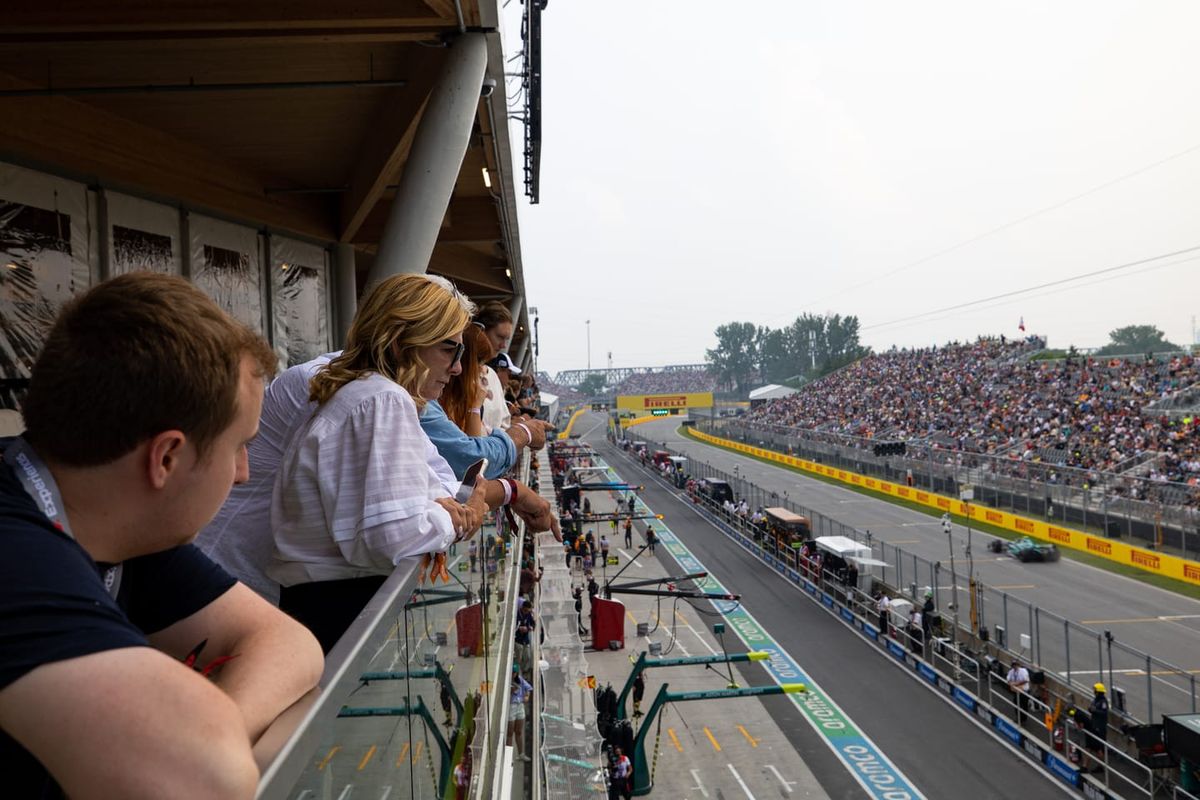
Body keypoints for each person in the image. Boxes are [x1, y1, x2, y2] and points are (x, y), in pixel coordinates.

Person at [0, 273, 324, 799]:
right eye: (238, 446)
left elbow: (291, 645)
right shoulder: (14, 552)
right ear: (167, 457)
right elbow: (203, 775)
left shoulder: (113, 524)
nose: (243, 472)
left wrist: (222, 725)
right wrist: (206, 739)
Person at [270, 275, 558, 652]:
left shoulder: (373, 395)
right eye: (449, 349)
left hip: (319, 607)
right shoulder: (382, 399)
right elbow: (394, 536)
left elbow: (444, 483)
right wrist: (457, 518)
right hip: (338, 612)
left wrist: (453, 504)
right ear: (400, 342)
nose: (457, 368)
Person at [508, 667, 533, 762]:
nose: (513, 675)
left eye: (515, 673)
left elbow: (529, 688)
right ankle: (508, 758)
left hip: (520, 706)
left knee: (518, 731)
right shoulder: (507, 682)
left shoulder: (520, 680)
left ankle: (521, 754)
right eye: (512, 673)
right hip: (511, 707)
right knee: (510, 733)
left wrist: (527, 696)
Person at [1085, 683, 1109, 772]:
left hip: (1100, 727)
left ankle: (1101, 766)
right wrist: (1090, 709)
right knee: (1094, 746)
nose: (1094, 692)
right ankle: (1098, 765)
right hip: (1094, 725)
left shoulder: (1103, 702)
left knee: (1099, 747)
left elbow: (1104, 713)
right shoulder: (1095, 700)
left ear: (1098, 692)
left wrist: (1095, 710)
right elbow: (1092, 708)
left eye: (1095, 691)